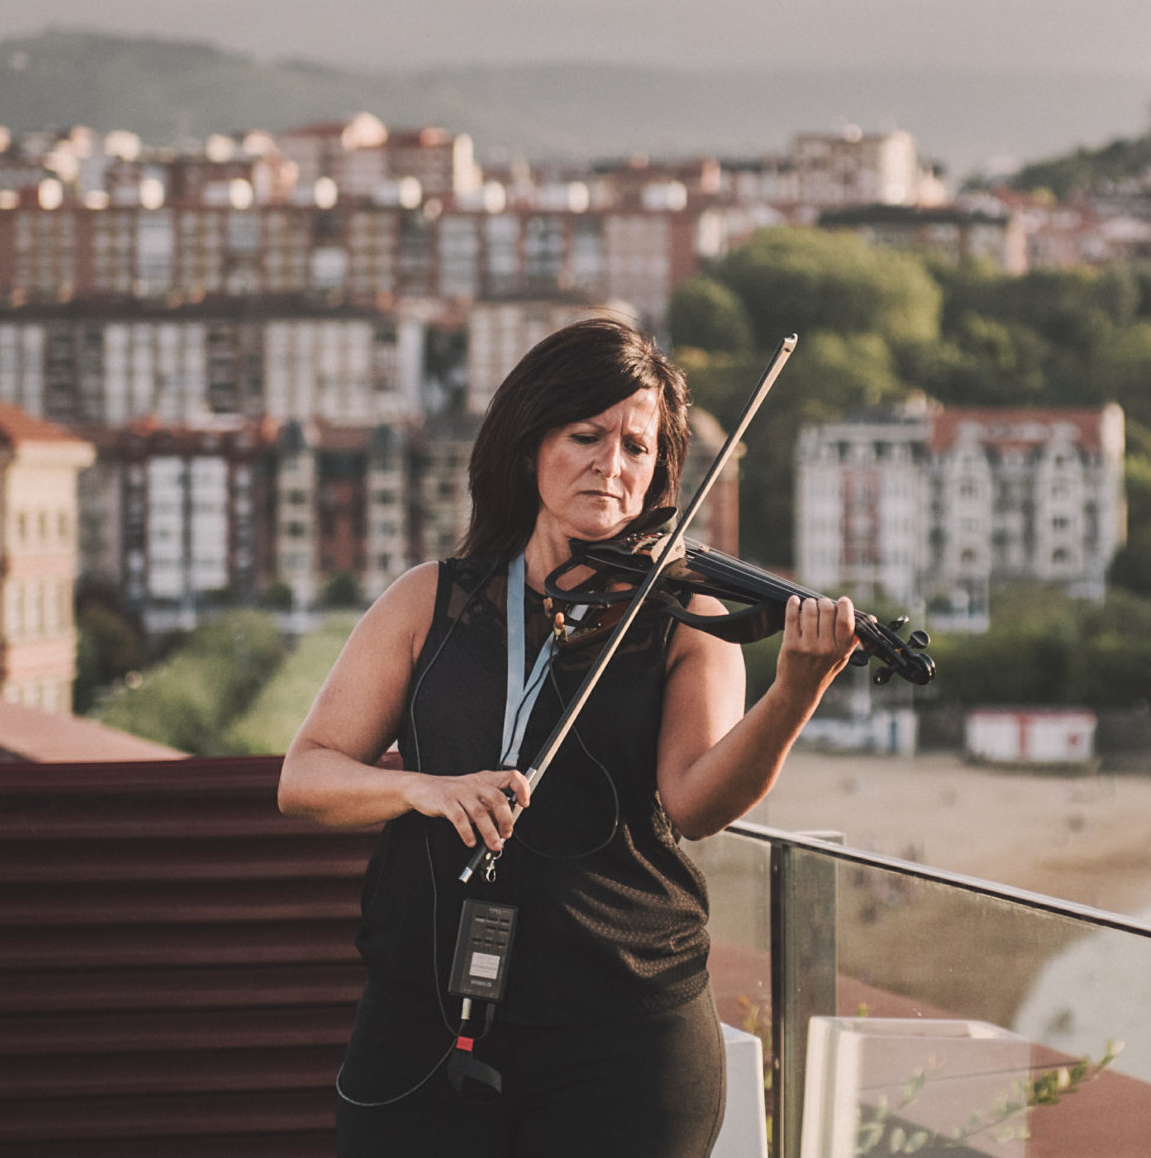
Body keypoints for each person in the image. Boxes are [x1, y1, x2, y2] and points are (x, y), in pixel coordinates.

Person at [279, 316, 858, 1157]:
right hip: (430, 1011)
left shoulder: (686, 612)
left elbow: (696, 802)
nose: (611, 465)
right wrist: (423, 787)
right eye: (586, 435)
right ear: (528, 442)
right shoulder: (430, 600)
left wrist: (797, 690)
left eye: (636, 447)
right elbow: (305, 777)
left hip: (625, 1027)